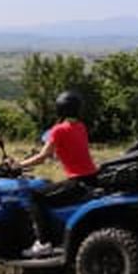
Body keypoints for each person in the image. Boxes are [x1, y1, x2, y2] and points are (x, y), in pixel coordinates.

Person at [17, 90, 99, 258]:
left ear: (60, 109)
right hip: (92, 178)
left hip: (78, 182)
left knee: (35, 196)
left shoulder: (58, 130)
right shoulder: (81, 127)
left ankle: (43, 242)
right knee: (50, 188)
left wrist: (18, 165)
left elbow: (42, 157)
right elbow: (69, 149)